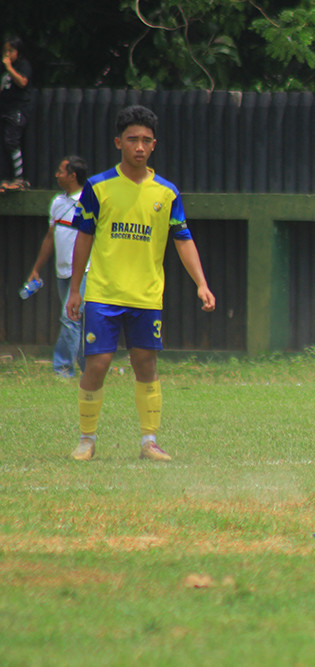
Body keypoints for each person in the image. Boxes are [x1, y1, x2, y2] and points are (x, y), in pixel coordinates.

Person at [66, 105, 216, 462]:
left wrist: (201, 283)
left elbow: (183, 239)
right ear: (119, 142)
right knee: (98, 363)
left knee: (145, 362)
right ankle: (87, 439)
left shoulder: (166, 193)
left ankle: (149, 441)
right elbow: (83, 238)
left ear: (154, 146)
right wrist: (75, 288)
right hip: (103, 292)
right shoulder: (98, 187)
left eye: (146, 140)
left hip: (147, 296)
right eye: (132, 139)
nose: (139, 146)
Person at [27, 156, 89, 377]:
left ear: (73, 175)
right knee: (77, 322)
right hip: (62, 271)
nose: (56, 175)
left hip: (84, 272)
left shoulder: (89, 201)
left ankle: (62, 369)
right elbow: (50, 237)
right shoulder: (57, 202)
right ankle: (89, 368)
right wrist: (36, 268)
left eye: (61, 171)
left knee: (70, 317)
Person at [0, 35, 32, 189]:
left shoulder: (22, 65)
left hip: (17, 109)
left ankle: (19, 178)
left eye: (10, 51)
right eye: (5, 51)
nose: (7, 54)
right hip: (4, 109)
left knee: (11, 141)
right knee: (3, 144)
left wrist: (9, 68)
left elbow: (22, 82)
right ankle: (5, 178)